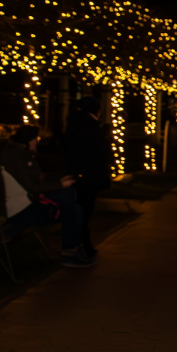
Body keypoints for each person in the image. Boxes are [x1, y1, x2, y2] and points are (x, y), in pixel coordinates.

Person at [0, 125, 94, 268]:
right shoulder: (14, 157)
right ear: (28, 140)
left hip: (32, 201)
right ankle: (71, 252)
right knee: (73, 209)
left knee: (71, 198)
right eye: (35, 139)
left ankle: (74, 245)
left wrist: (60, 181)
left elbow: (37, 178)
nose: (37, 141)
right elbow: (32, 186)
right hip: (22, 209)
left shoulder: (22, 154)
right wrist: (61, 185)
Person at [62, 95, 112, 257]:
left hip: (77, 174)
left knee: (79, 209)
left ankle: (78, 243)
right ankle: (81, 245)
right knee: (84, 210)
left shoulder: (74, 124)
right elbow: (99, 151)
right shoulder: (90, 126)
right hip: (88, 176)